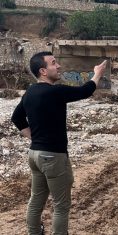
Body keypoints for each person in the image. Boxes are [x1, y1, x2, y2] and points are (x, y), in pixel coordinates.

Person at [11, 51, 107, 235]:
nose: (59, 66)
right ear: (43, 71)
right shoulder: (55, 92)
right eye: (54, 63)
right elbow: (85, 90)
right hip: (53, 157)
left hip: (35, 156)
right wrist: (97, 73)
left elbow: (17, 118)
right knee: (61, 205)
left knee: (36, 200)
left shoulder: (30, 92)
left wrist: (35, 139)